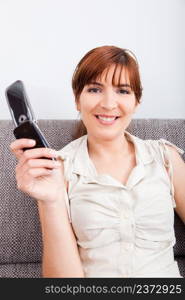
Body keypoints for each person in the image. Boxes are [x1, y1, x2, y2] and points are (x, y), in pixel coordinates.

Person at [10, 45, 185, 278]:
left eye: (123, 91)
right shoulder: (55, 170)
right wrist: (50, 200)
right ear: (77, 100)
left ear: (136, 102)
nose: (108, 103)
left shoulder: (165, 158)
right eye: (94, 89)